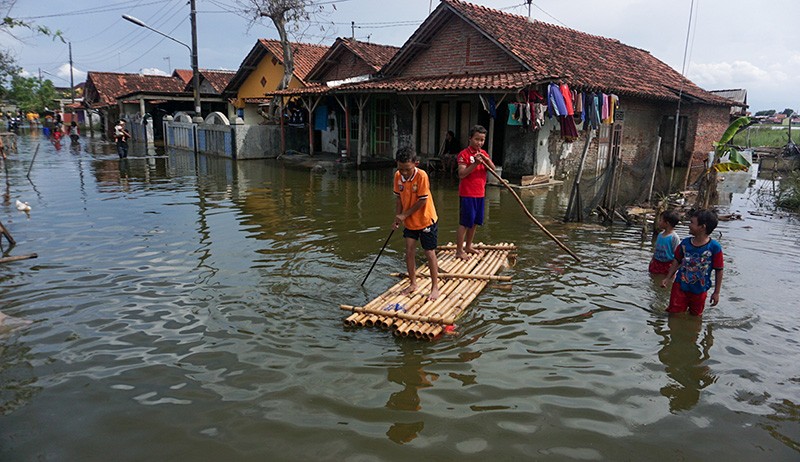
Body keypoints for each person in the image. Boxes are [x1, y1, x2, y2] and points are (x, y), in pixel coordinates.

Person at [393, 146, 440, 301]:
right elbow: (399, 198)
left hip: (426, 219)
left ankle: (434, 287)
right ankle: (413, 283)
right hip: (410, 221)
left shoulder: (422, 176)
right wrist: (397, 217)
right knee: (409, 250)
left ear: (416, 163)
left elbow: (422, 201)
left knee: (429, 252)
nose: (404, 172)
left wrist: (404, 214)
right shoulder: (398, 176)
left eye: (407, 169)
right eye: (401, 169)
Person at [661, 209, 724, 316]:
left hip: (700, 290)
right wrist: (668, 277)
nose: (689, 225)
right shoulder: (685, 243)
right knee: (674, 313)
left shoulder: (714, 248)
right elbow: (677, 260)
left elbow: (719, 269)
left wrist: (716, 292)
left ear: (702, 227)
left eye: (692, 223)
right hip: (680, 286)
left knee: (696, 316)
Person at [455, 125, 496, 260]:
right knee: (465, 222)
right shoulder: (464, 154)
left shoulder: (483, 154)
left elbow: (493, 170)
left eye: (482, 140)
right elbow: (461, 174)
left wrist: (486, 160)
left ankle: (468, 246)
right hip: (467, 194)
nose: (479, 142)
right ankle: (459, 250)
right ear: (470, 139)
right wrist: (474, 164)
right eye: (477, 139)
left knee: (475, 222)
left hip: (480, 193)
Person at [649, 209, 680, 275]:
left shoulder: (674, 237)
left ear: (667, 223)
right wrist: (652, 260)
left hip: (667, 264)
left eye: (660, 220)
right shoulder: (660, 235)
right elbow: (656, 249)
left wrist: (674, 270)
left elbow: (677, 255)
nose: (659, 222)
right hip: (656, 262)